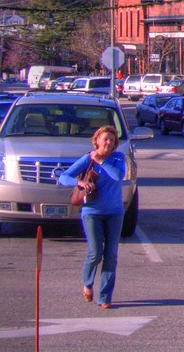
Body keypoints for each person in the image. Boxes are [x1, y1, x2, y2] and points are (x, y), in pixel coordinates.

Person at [58, 125, 126, 309]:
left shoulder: (118, 158)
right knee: (95, 252)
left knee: (111, 255)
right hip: (92, 212)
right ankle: (87, 284)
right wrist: (79, 182)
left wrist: (102, 162)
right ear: (96, 140)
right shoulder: (88, 158)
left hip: (114, 212)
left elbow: (118, 176)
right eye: (105, 139)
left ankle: (105, 297)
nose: (108, 143)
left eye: (112, 140)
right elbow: (63, 177)